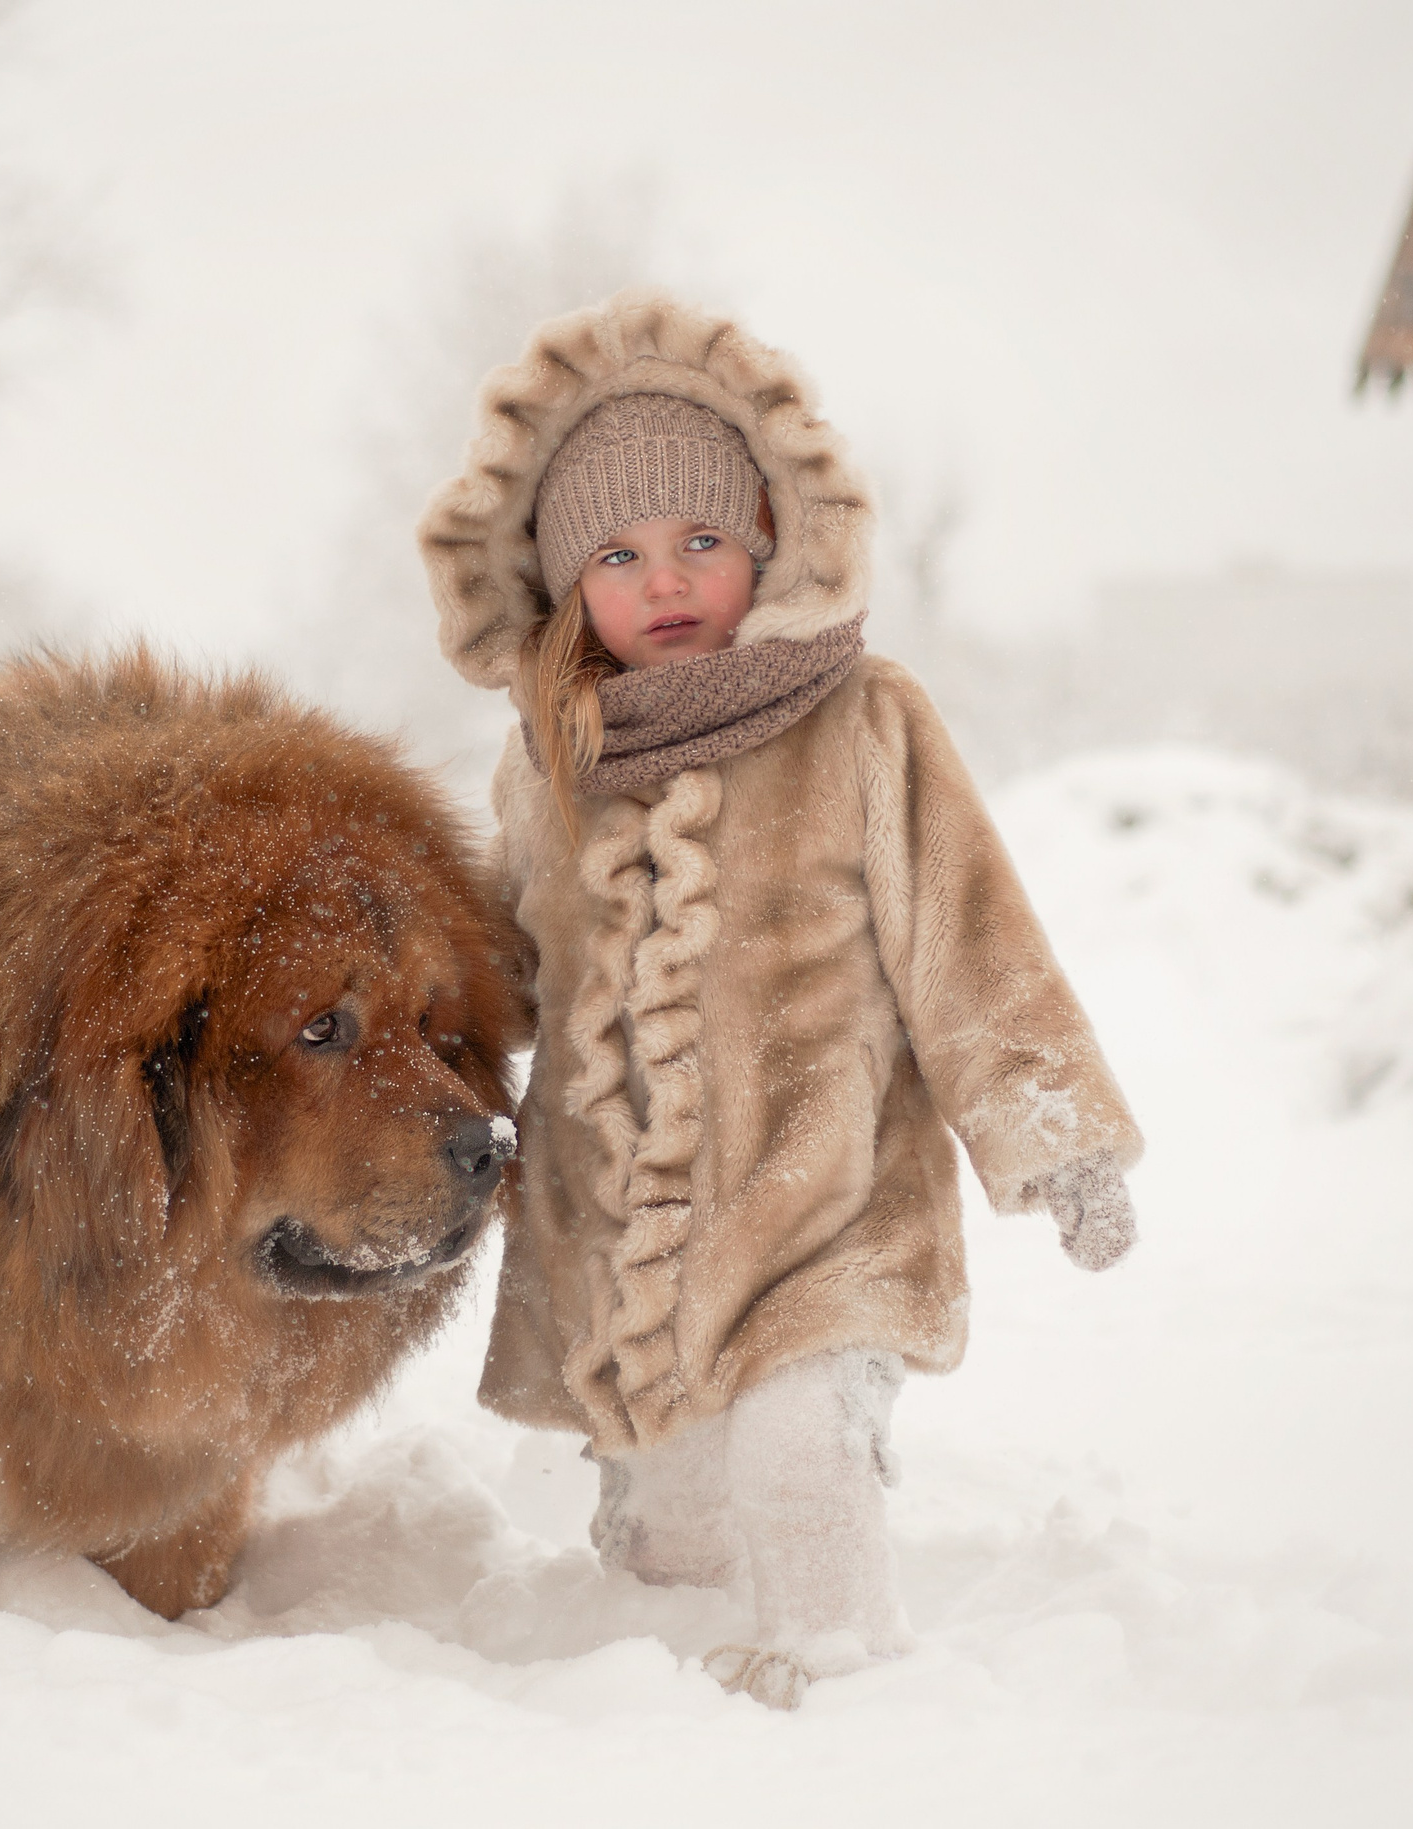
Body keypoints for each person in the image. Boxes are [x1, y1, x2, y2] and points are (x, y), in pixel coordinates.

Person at [417, 292, 1145, 1709]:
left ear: (767, 534)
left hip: (830, 1199)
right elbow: (498, 976)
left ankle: (847, 1675)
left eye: (701, 540)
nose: (666, 580)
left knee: (798, 1447)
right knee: (678, 1515)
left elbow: (970, 935)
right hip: (628, 1234)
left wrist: (1058, 1135)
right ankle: (649, 1692)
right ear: (565, 589)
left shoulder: (864, 718)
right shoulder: (547, 764)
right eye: (618, 556)